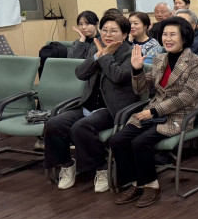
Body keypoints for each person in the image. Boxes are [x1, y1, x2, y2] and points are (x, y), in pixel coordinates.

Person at [110, 17, 198, 207]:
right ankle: (135, 183)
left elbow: (187, 97)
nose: (167, 39)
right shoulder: (160, 59)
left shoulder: (196, 62)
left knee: (140, 142)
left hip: (179, 115)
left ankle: (152, 186)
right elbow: (141, 88)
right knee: (117, 140)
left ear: (184, 37)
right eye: (165, 34)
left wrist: (154, 111)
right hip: (153, 113)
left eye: (173, 35)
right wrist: (137, 70)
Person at [44, 13, 137, 193]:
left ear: (125, 34)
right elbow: (80, 73)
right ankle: (67, 164)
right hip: (88, 104)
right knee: (53, 124)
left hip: (113, 109)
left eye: (113, 31)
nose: (107, 34)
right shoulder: (96, 47)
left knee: (82, 127)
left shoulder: (130, 53)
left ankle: (101, 168)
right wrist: (96, 56)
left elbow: (119, 76)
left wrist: (105, 56)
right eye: (105, 30)